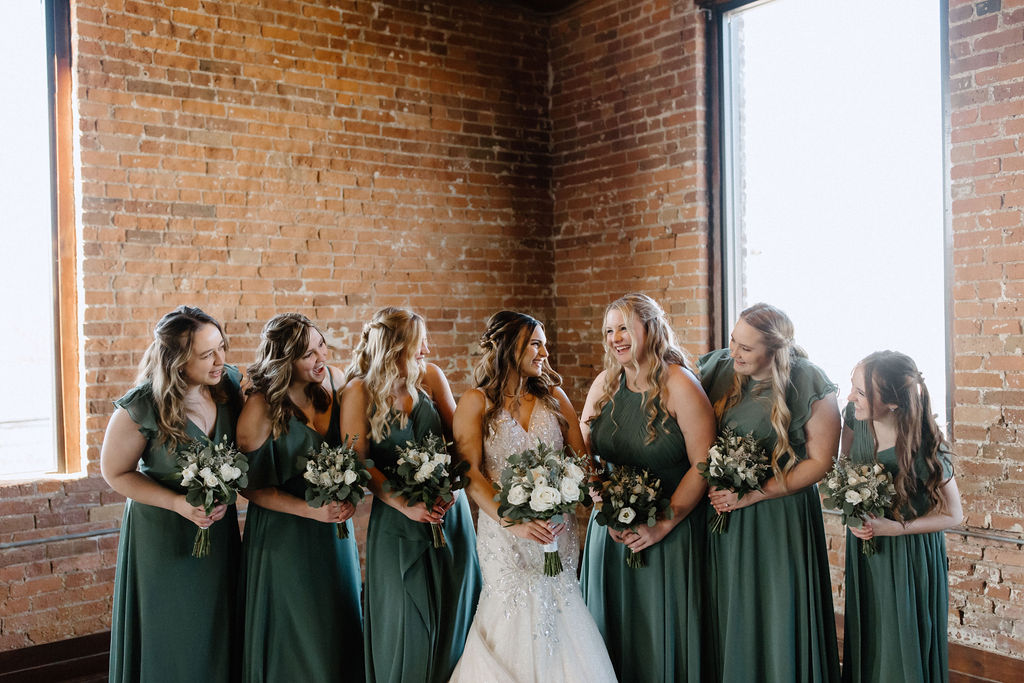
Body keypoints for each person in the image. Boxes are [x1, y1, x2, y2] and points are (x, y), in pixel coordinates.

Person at [448, 311, 617, 683]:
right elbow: (470, 474)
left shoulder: (554, 397)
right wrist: (513, 521)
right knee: (509, 614)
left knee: (562, 609)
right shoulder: (476, 403)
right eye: (536, 343)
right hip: (504, 533)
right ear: (509, 348)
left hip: (557, 533)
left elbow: (580, 460)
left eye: (545, 343)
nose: (545, 351)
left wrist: (605, 504)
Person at [700, 302, 841, 683]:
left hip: (779, 514)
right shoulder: (719, 369)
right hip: (724, 516)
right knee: (733, 608)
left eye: (746, 348)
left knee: (777, 608)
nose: (735, 353)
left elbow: (821, 461)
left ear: (774, 350)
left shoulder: (809, 381)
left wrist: (756, 493)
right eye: (733, 341)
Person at [100, 305, 242, 682]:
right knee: (172, 633)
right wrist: (177, 502)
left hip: (217, 535)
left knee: (216, 627)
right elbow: (115, 472)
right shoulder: (142, 405)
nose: (220, 359)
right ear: (177, 360)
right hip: (162, 537)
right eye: (206, 354)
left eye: (221, 347)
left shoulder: (229, 387)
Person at [579, 293, 715, 682]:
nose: (615, 338)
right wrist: (596, 494)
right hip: (610, 533)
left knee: (657, 637)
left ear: (650, 329)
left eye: (623, 327)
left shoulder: (679, 384)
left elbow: (703, 465)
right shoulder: (605, 383)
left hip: (667, 532)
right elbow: (583, 448)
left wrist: (662, 524)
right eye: (609, 330)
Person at [340, 307, 481, 683]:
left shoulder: (431, 378)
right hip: (398, 521)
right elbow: (359, 462)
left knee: (455, 619)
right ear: (395, 347)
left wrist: (453, 487)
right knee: (405, 627)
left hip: (449, 514)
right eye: (420, 342)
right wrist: (404, 503)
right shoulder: (359, 392)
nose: (427, 349)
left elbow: (460, 441)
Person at [237, 313, 363, 682]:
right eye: (308, 354)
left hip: (335, 532)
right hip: (285, 534)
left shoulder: (336, 383)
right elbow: (248, 486)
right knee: (297, 633)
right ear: (284, 361)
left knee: (337, 619)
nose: (320, 359)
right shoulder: (260, 409)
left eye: (321, 345)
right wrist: (309, 510)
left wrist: (350, 494)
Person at [840, 351, 962, 683]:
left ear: (893, 403)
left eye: (862, 392)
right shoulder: (853, 416)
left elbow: (954, 514)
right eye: (853, 388)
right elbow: (845, 467)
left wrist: (895, 528)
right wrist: (854, 510)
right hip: (866, 546)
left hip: (908, 551)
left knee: (901, 642)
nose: (851, 398)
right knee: (870, 632)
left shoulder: (925, 445)